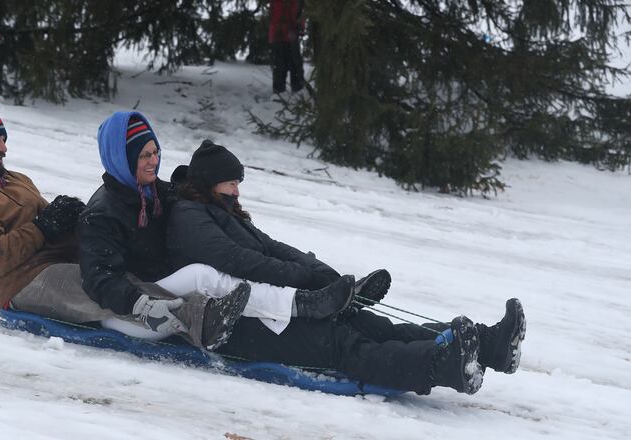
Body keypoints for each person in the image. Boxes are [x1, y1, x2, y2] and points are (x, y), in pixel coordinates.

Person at [166, 140, 527, 395]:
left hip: (276, 305)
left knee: (368, 324)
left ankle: (489, 345)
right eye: (232, 183)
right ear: (210, 184)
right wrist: (308, 283)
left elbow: (272, 247)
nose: (237, 192)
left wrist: (321, 272)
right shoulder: (189, 217)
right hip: (238, 322)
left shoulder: (221, 211)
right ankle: (444, 365)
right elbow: (238, 261)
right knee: (341, 343)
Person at [0, 94, 241, 350]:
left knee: (117, 277)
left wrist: (80, 221)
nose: (3, 147)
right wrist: (44, 226)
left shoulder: (13, 179)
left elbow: (49, 218)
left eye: (2, 138)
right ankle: (200, 319)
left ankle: (207, 308)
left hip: (56, 261)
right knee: (103, 292)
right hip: (20, 281)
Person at [77, 112, 388, 340]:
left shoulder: (156, 192)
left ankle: (320, 294)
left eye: (156, 152)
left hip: (165, 289)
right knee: (204, 274)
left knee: (217, 271)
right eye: (144, 155)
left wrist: (312, 270)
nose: (153, 161)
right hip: (131, 311)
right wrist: (139, 304)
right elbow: (99, 279)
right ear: (122, 156)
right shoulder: (102, 213)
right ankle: (304, 304)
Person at [269, 0, 305, 93]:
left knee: (295, 64)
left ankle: (297, 91)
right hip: (279, 33)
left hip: (290, 33)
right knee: (280, 65)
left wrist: (300, 26)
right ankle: (279, 91)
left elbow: (301, 12)